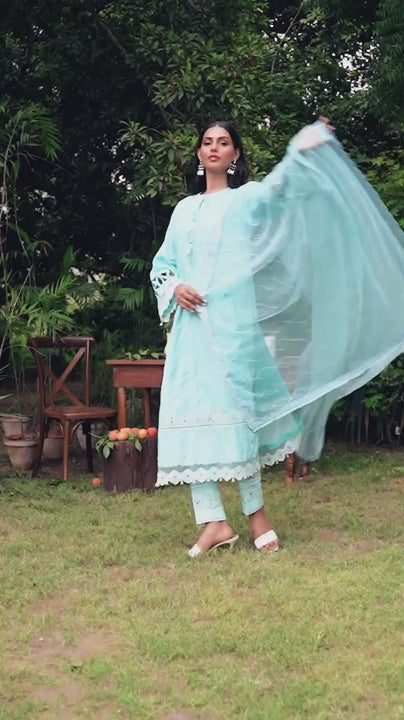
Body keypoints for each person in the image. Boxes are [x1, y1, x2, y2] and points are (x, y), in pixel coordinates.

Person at [151, 117, 404, 557]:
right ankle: (213, 522)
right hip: (191, 332)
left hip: (232, 327)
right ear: (199, 154)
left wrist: (303, 147)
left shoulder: (245, 198)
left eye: (223, 142)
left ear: (235, 154)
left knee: (241, 420)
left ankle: (257, 516)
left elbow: (281, 192)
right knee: (192, 420)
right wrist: (174, 288)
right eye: (207, 142)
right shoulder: (183, 210)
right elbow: (162, 264)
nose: (214, 148)